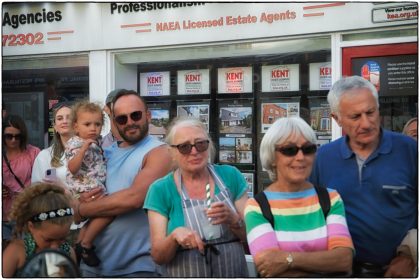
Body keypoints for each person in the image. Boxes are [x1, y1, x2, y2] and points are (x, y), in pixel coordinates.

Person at [310, 76, 417, 277]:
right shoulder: (323, 158)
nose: (366, 123)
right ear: (336, 119)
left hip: (397, 273)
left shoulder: (410, 151)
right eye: (355, 116)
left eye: (370, 112)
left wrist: (411, 255)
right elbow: (309, 215)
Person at [75, 90, 173, 277]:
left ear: (148, 115)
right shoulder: (105, 152)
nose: (129, 122)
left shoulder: (159, 152)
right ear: (114, 121)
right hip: (92, 266)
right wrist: (81, 198)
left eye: (135, 115)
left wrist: (80, 210)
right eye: (122, 119)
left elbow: (133, 198)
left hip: (137, 268)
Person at [244, 117, 354, 277]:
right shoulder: (257, 206)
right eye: (289, 150)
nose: (301, 157)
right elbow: (268, 267)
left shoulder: (330, 198)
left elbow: (343, 260)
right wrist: (324, 263)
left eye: (308, 149)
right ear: (272, 158)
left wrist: (287, 260)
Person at [144, 117, 249, 277]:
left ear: (209, 145)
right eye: (184, 147)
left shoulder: (230, 175)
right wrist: (173, 237)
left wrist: (234, 220)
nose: (194, 151)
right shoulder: (161, 189)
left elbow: (252, 236)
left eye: (200, 144)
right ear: (172, 153)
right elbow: (158, 256)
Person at [65, 100, 110, 267]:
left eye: (97, 124)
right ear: (76, 127)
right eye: (87, 124)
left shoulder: (97, 142)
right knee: (108, 211)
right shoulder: (76, 143)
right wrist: (83, 149)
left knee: (90, 219)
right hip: (86, 188)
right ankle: (86, 244)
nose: (93, 128)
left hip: (94, 186)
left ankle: (80, 245)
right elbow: (73, 168)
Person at [2, 182, 76, 277]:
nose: (55, 247)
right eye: (48, 240)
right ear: (31, 227)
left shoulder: (69, 253)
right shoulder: (16, 252)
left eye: (62, 239)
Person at [2, 115, 40, 247]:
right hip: (4, 216)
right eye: (9, 136)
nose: (13, 140)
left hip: (27, 213)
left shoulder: (33, 153)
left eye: (17, 136)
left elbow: (42, 182)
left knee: (26, 253)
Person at [31, 102, 73, 185]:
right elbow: (43, 188)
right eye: (60, 118)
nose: (64, 121)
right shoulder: (46, 156)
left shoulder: (88, 150)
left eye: (69, 117)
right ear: (55, 127)